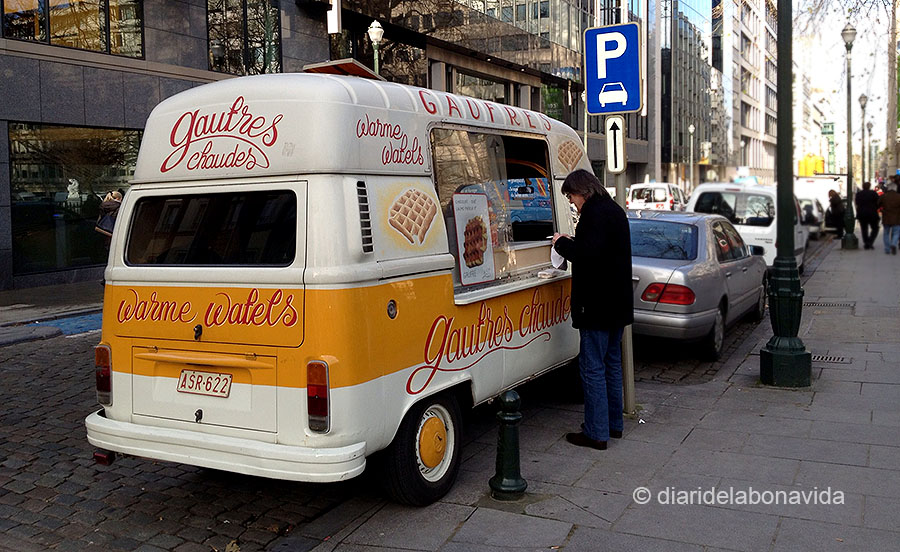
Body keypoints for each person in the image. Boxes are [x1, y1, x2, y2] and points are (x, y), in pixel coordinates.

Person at [552, 170, 633, 450]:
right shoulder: (614, 210)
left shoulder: (592, 215)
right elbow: (602, 251)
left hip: (596, 306)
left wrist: (561, 243)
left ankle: (596, 433)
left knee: (593, 369)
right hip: (617, 305)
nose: (572, 203)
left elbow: (587, 256)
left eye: (571, 196)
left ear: (582, 192)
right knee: (611, 365)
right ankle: (614, 424)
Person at [855, 181, 880, 250]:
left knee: (864, 229)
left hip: (862, 213)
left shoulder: (859, 194)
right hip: (872, 213)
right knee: (875, 228)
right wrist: (875, 208)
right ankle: (870, 241)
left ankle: (866, 242)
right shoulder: (873, 193)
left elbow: (857, 203)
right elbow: (878, 202)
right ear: (869, 186)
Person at [878, 177, 900, 255]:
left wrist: (882, 210)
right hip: (897, 218)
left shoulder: (884, 196)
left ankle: (887, 249)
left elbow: (878, 204)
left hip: (886, 217)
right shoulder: (899, 196)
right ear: (895, 188)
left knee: (886, 233)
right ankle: (893, 244)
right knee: (896, 233)